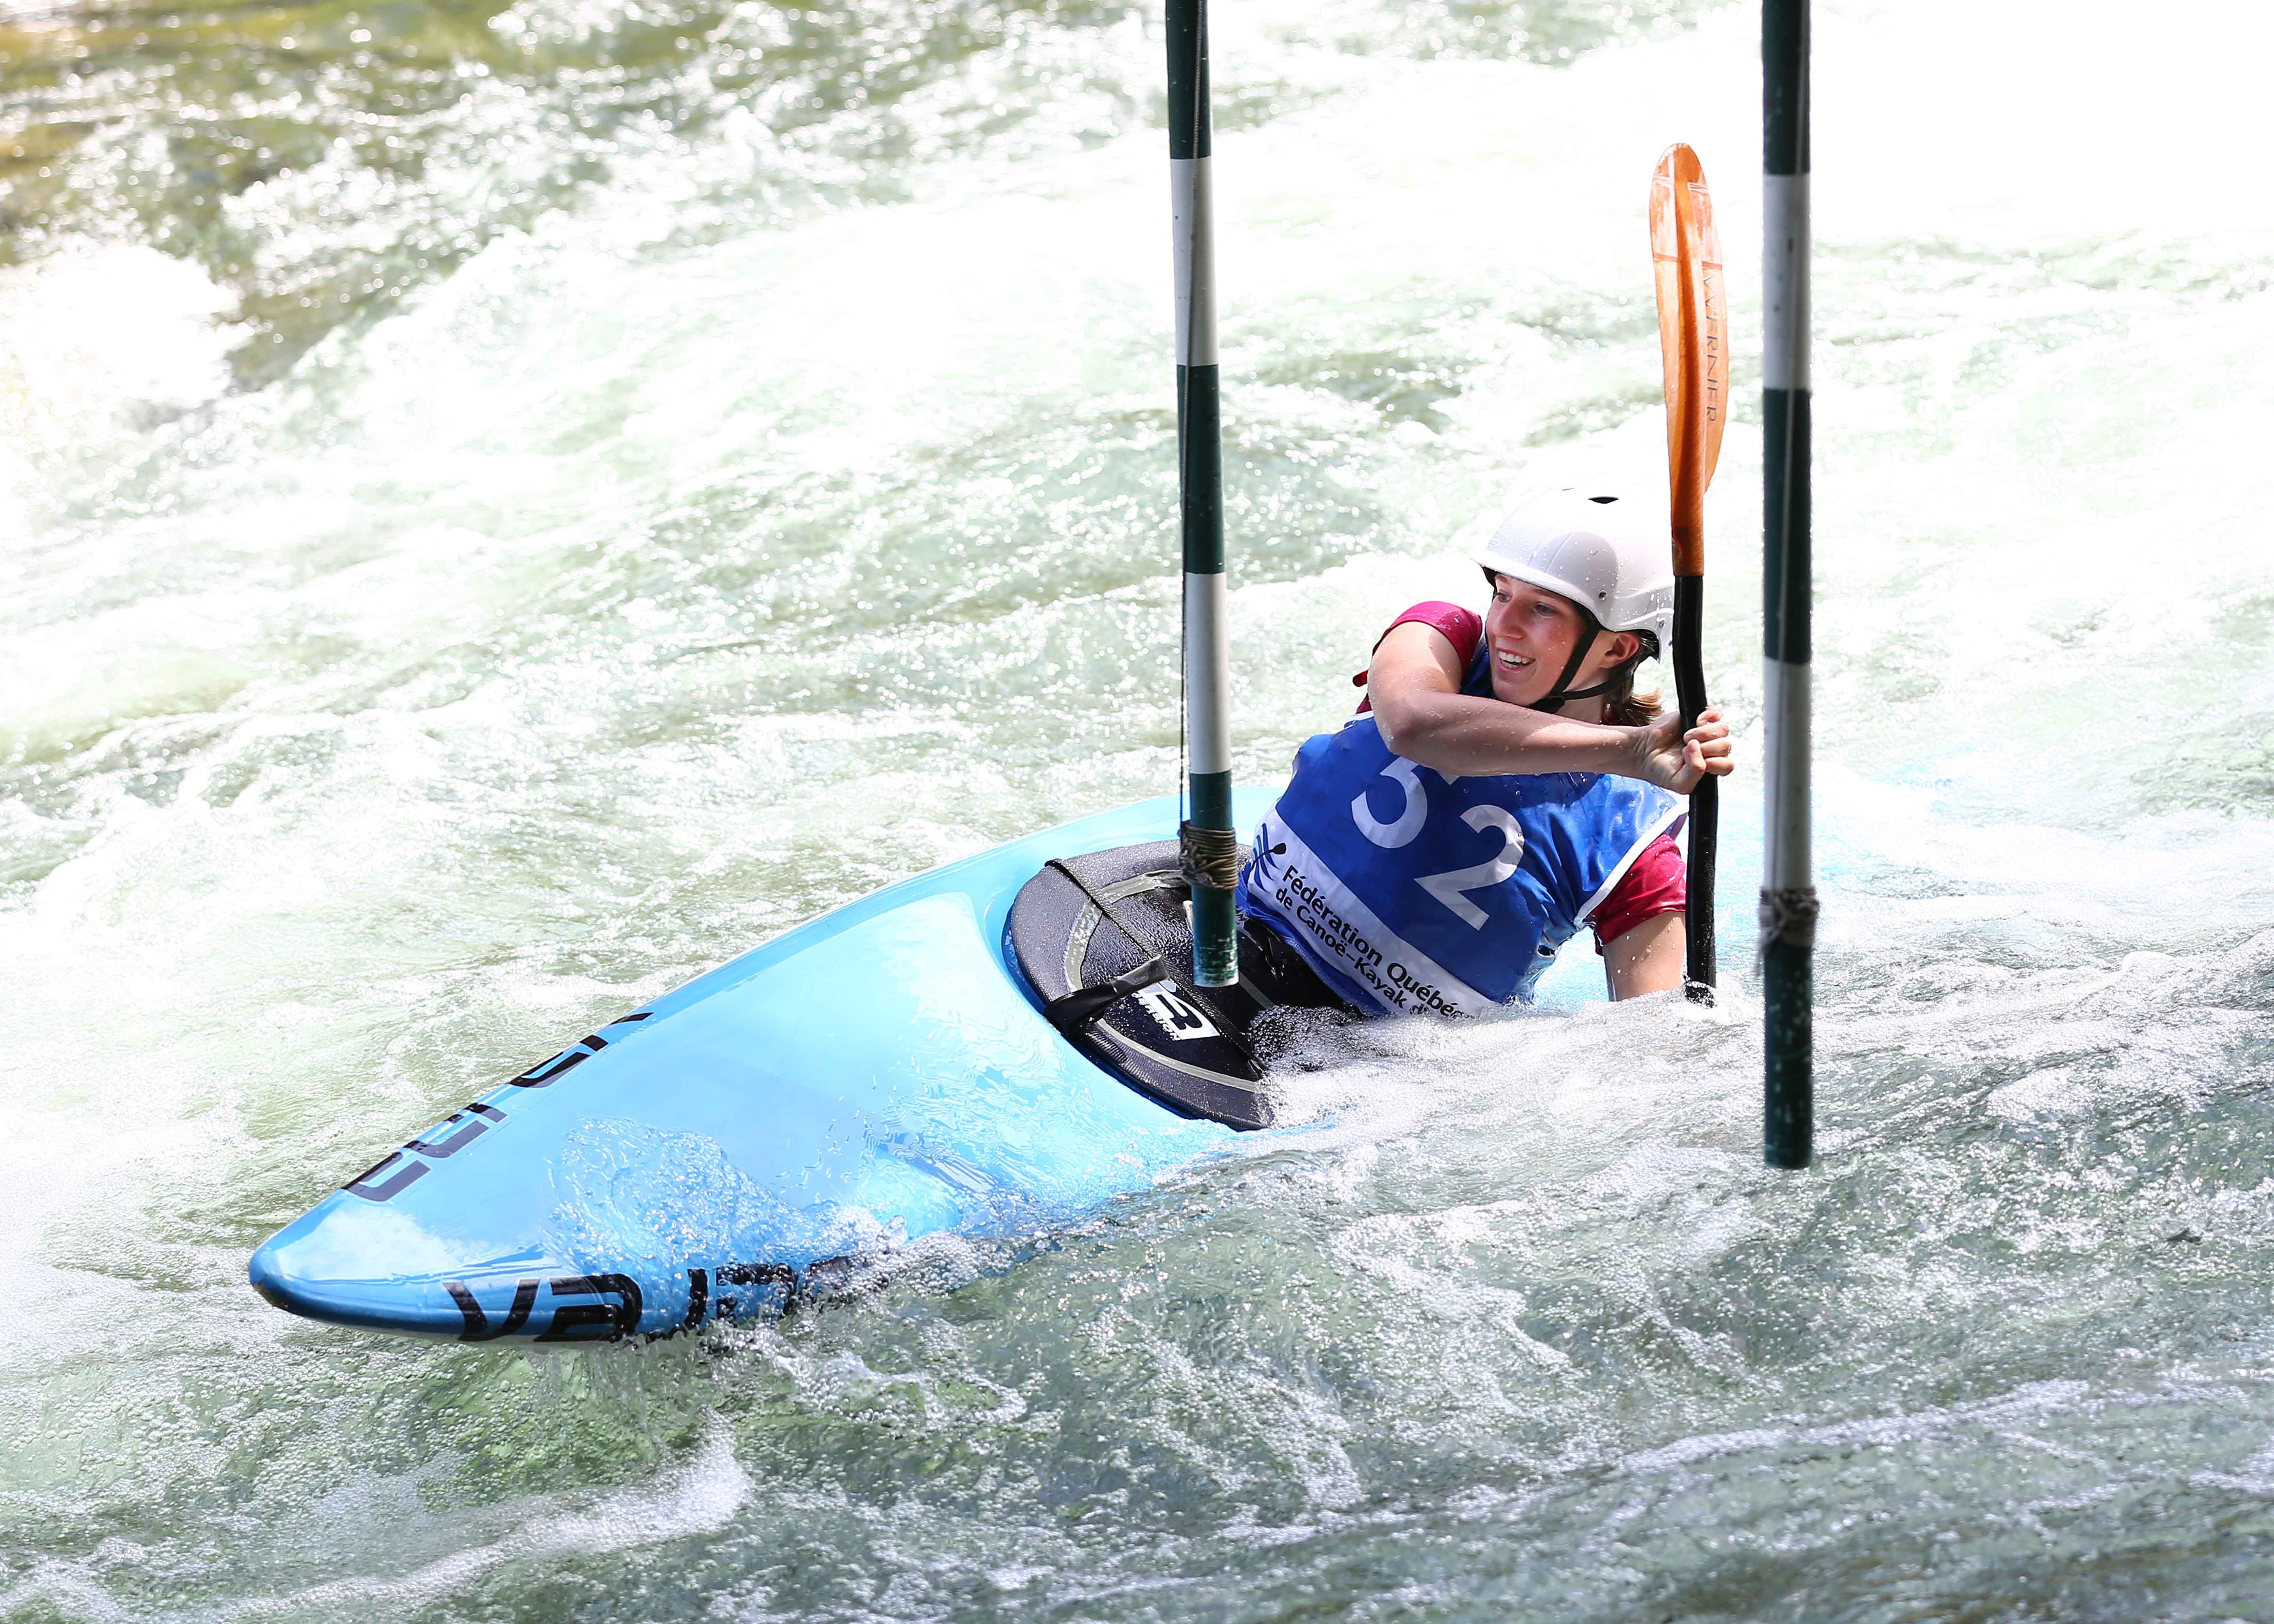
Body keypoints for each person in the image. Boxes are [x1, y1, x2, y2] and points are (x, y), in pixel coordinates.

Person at [1236, 486, 1736, 1015]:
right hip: (1246, 936)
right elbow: (1412, 724)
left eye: (1542, 608)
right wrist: (1629, 751)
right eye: (1502, 594)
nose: (1503, 626)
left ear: (1617, 647)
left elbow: (1648, 1050)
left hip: (1373, 1061)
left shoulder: (1632, 849)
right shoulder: (1440, 638)